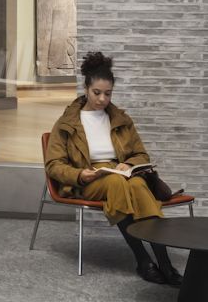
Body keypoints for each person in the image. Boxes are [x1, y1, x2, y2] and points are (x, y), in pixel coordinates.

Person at [45, 51, 183, 286]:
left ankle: (164, 263)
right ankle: (142, 259)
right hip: (88, 179)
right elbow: (54, 165)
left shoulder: (120, 119)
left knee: (139, 184)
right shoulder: (67, 123)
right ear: (86, 88)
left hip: (121, 173)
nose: (102, 99)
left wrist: (128, 164)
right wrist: (80, 174)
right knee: (118, 182)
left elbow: (141, 154)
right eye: (96, 93)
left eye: (107, 94)